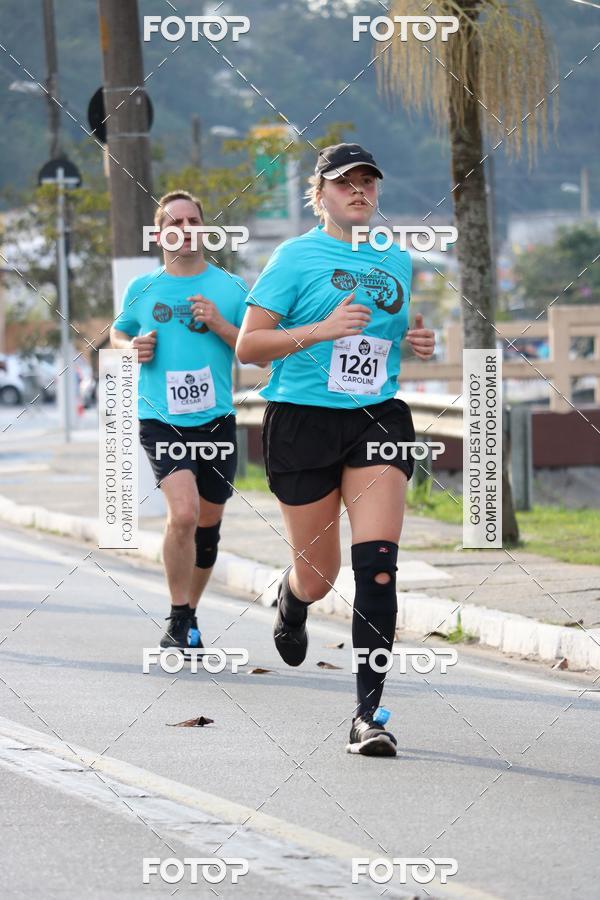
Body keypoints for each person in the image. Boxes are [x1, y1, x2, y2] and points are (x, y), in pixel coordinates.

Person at [236, 144, 435, 756]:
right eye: (344, 183)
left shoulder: (397, 260)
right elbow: (250, 347)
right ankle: (293, 598)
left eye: (368, 183)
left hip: (378, 417)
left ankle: (368, 716)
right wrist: (320, 331)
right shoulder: (294, 257)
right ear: (319, 193)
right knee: (320, 576)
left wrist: (417, 340)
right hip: (302, 421)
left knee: (377, 565)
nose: (359, 192)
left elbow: (388, 337)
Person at [110, 190, 248, 651]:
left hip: (216, 421)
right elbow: (118, 333)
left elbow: (253, 350)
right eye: (174, 222)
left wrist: (220, 325)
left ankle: (188, 614)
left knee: (207, 529)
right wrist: (130, 349)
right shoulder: (142, 290)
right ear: (159, 234)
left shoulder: (229, 288)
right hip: (161, 418)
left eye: (193, 221)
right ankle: (177, 612)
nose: (184, 229)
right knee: (184, 514)